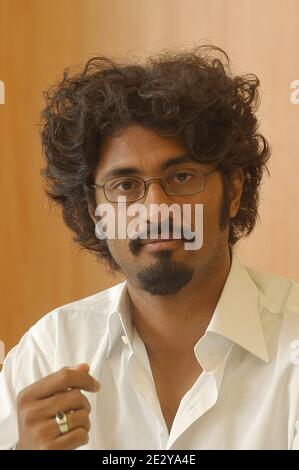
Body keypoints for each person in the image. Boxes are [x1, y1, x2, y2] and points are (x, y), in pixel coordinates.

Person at [1, 45, 298, 450]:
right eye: (125, 186)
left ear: (233, 191)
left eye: (181, 177)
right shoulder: (50, 352)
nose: (155, 209)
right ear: (94, 211)